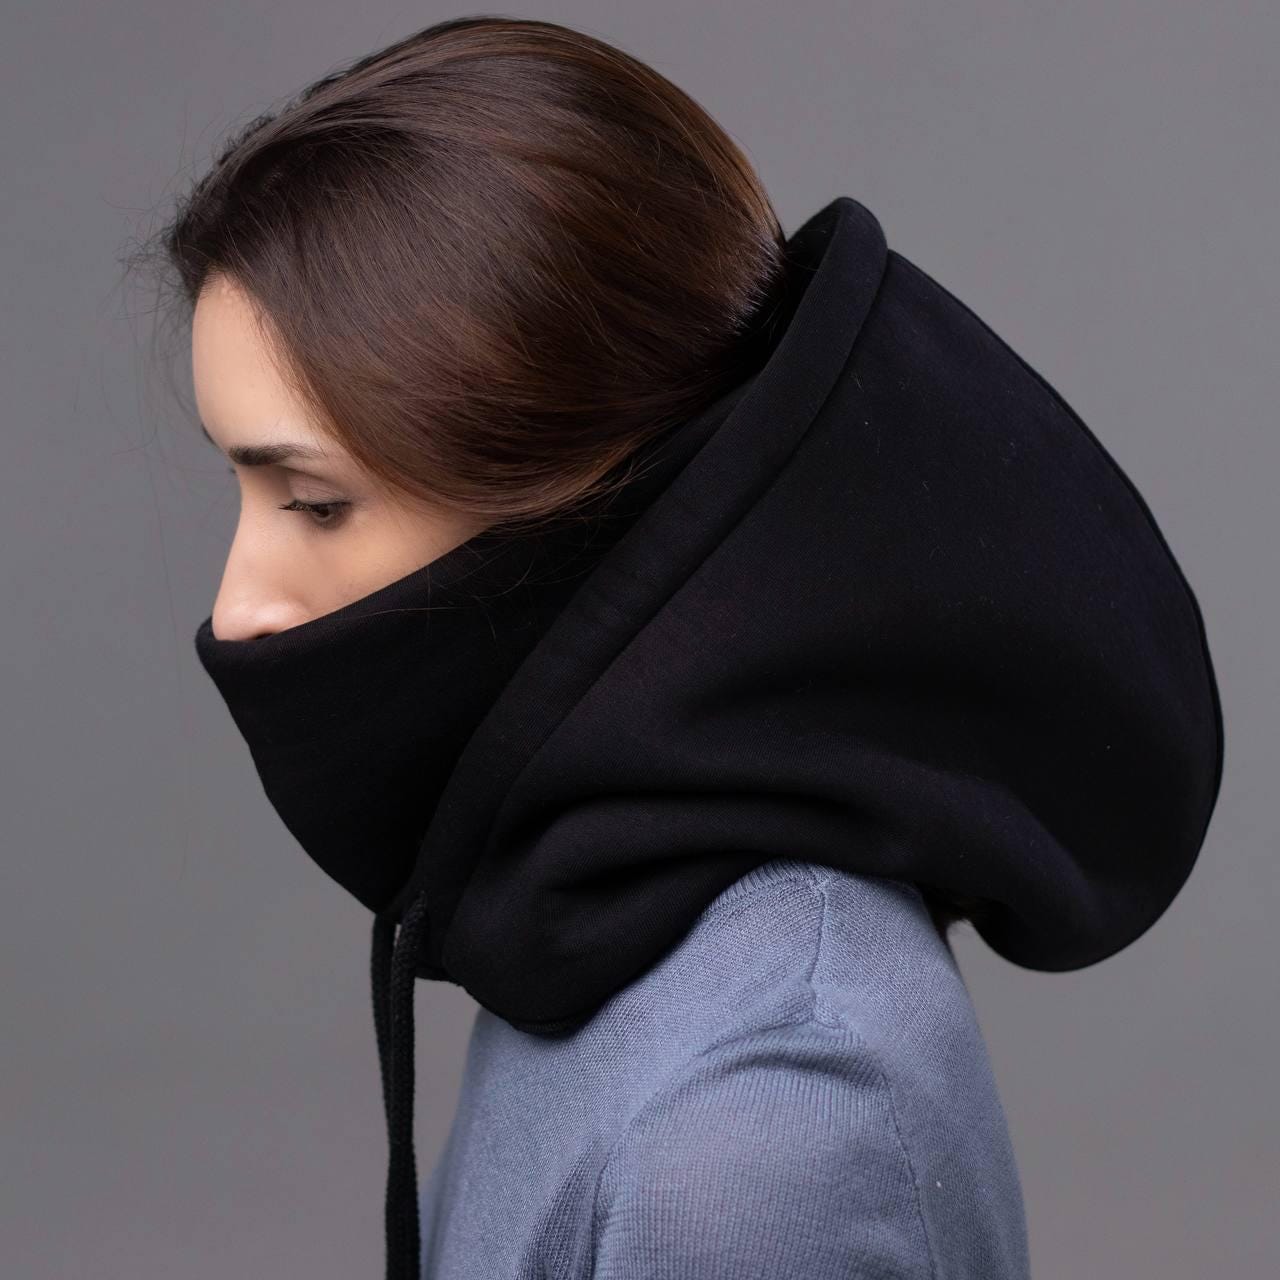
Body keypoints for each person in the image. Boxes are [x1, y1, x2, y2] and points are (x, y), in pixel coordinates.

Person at [135, 15, 1223, 1280]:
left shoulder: (750, 1133)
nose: (237, 606)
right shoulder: (590, 911)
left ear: (602, 490)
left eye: (316, 503)